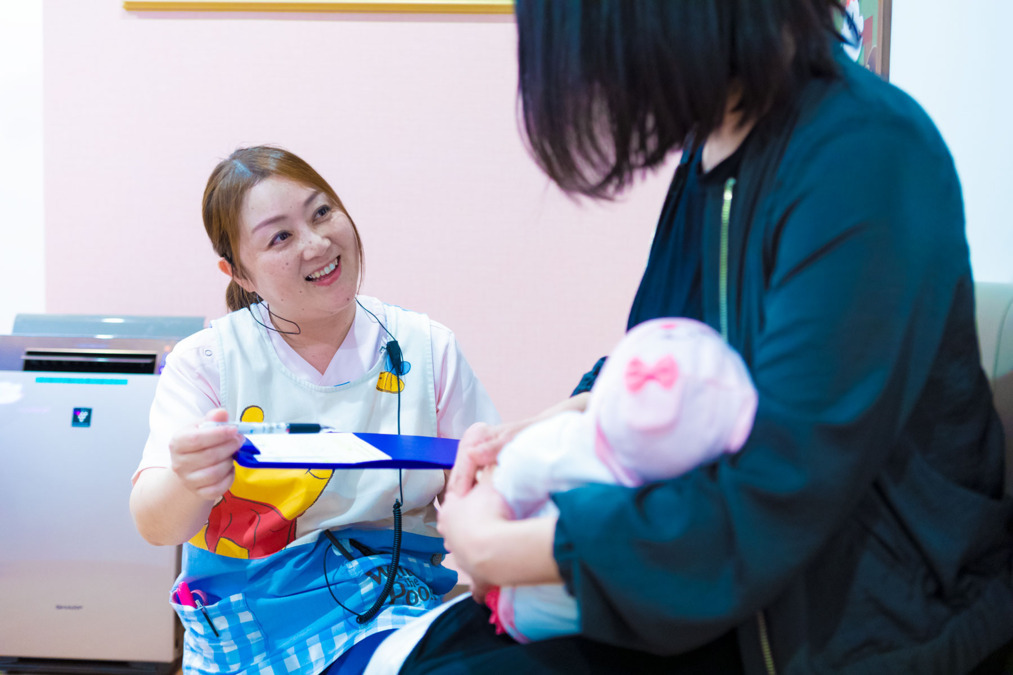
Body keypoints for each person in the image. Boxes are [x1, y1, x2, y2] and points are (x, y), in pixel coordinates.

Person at [388, 1, 1013, 673]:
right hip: (726, 585)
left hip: (861, 619)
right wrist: (534, 433)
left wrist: (493, 548)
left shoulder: (864, 154)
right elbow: (663, 366)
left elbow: (773, 488)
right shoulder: (712, 155)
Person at [129, 145, 499, 675]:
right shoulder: (209, 362)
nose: (318, 243)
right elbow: (156, 524)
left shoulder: (425, 349)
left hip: (389, 613)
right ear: (240, 274)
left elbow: (485, 487)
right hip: (248, 626)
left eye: (322, 212)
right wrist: (190, 479)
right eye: (280, 236)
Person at [484, 317, 757, 643]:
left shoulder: (562, 444)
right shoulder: (711, 502)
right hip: (655, 626)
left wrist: (483, 516)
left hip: (525, 610)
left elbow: (509, 479)